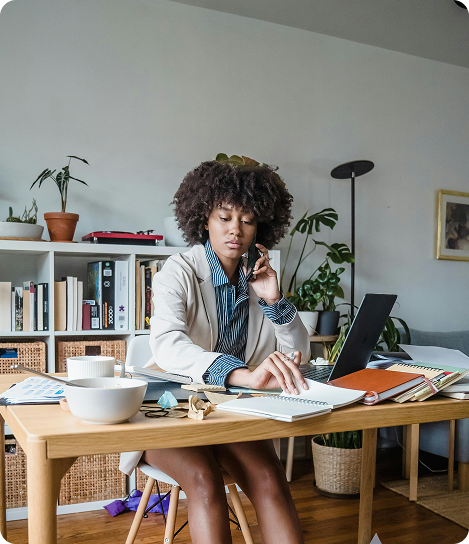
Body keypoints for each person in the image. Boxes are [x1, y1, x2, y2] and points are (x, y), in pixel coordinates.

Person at [121, 159, 310, 543]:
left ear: (260, 227)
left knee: (270, 478)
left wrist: (274, 301)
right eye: (224, 216)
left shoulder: (258, 280)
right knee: (205, 482)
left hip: (231, 413)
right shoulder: (177, 271)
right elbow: (169, 346)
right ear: (204, 219)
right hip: (168, 410)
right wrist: (242, 374)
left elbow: (298, 351)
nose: (235, 230)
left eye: (247, 220)